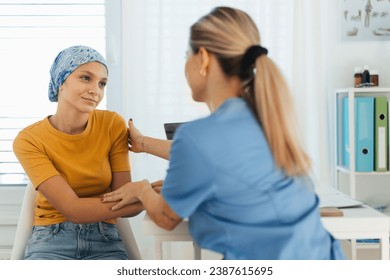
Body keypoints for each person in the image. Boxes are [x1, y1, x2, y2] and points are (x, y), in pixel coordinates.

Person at [102, 7, 345, 260]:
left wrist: (142, 189)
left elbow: (165, 217)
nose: (185, 65)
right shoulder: (270, 119)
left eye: (187, 54)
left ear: (204, 58)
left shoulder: (197, 136)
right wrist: (144, 144)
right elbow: (220, 159)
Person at [13, 45, 143, 260]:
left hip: (105, 240)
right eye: (85, 78)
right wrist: (147, 195)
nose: (96, 90)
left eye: (102, 83)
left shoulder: (112, 125)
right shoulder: (29, 140)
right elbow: (74, 210)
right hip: (50, 241)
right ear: (61, 82)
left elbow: (126, 201)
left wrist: (140, 195)